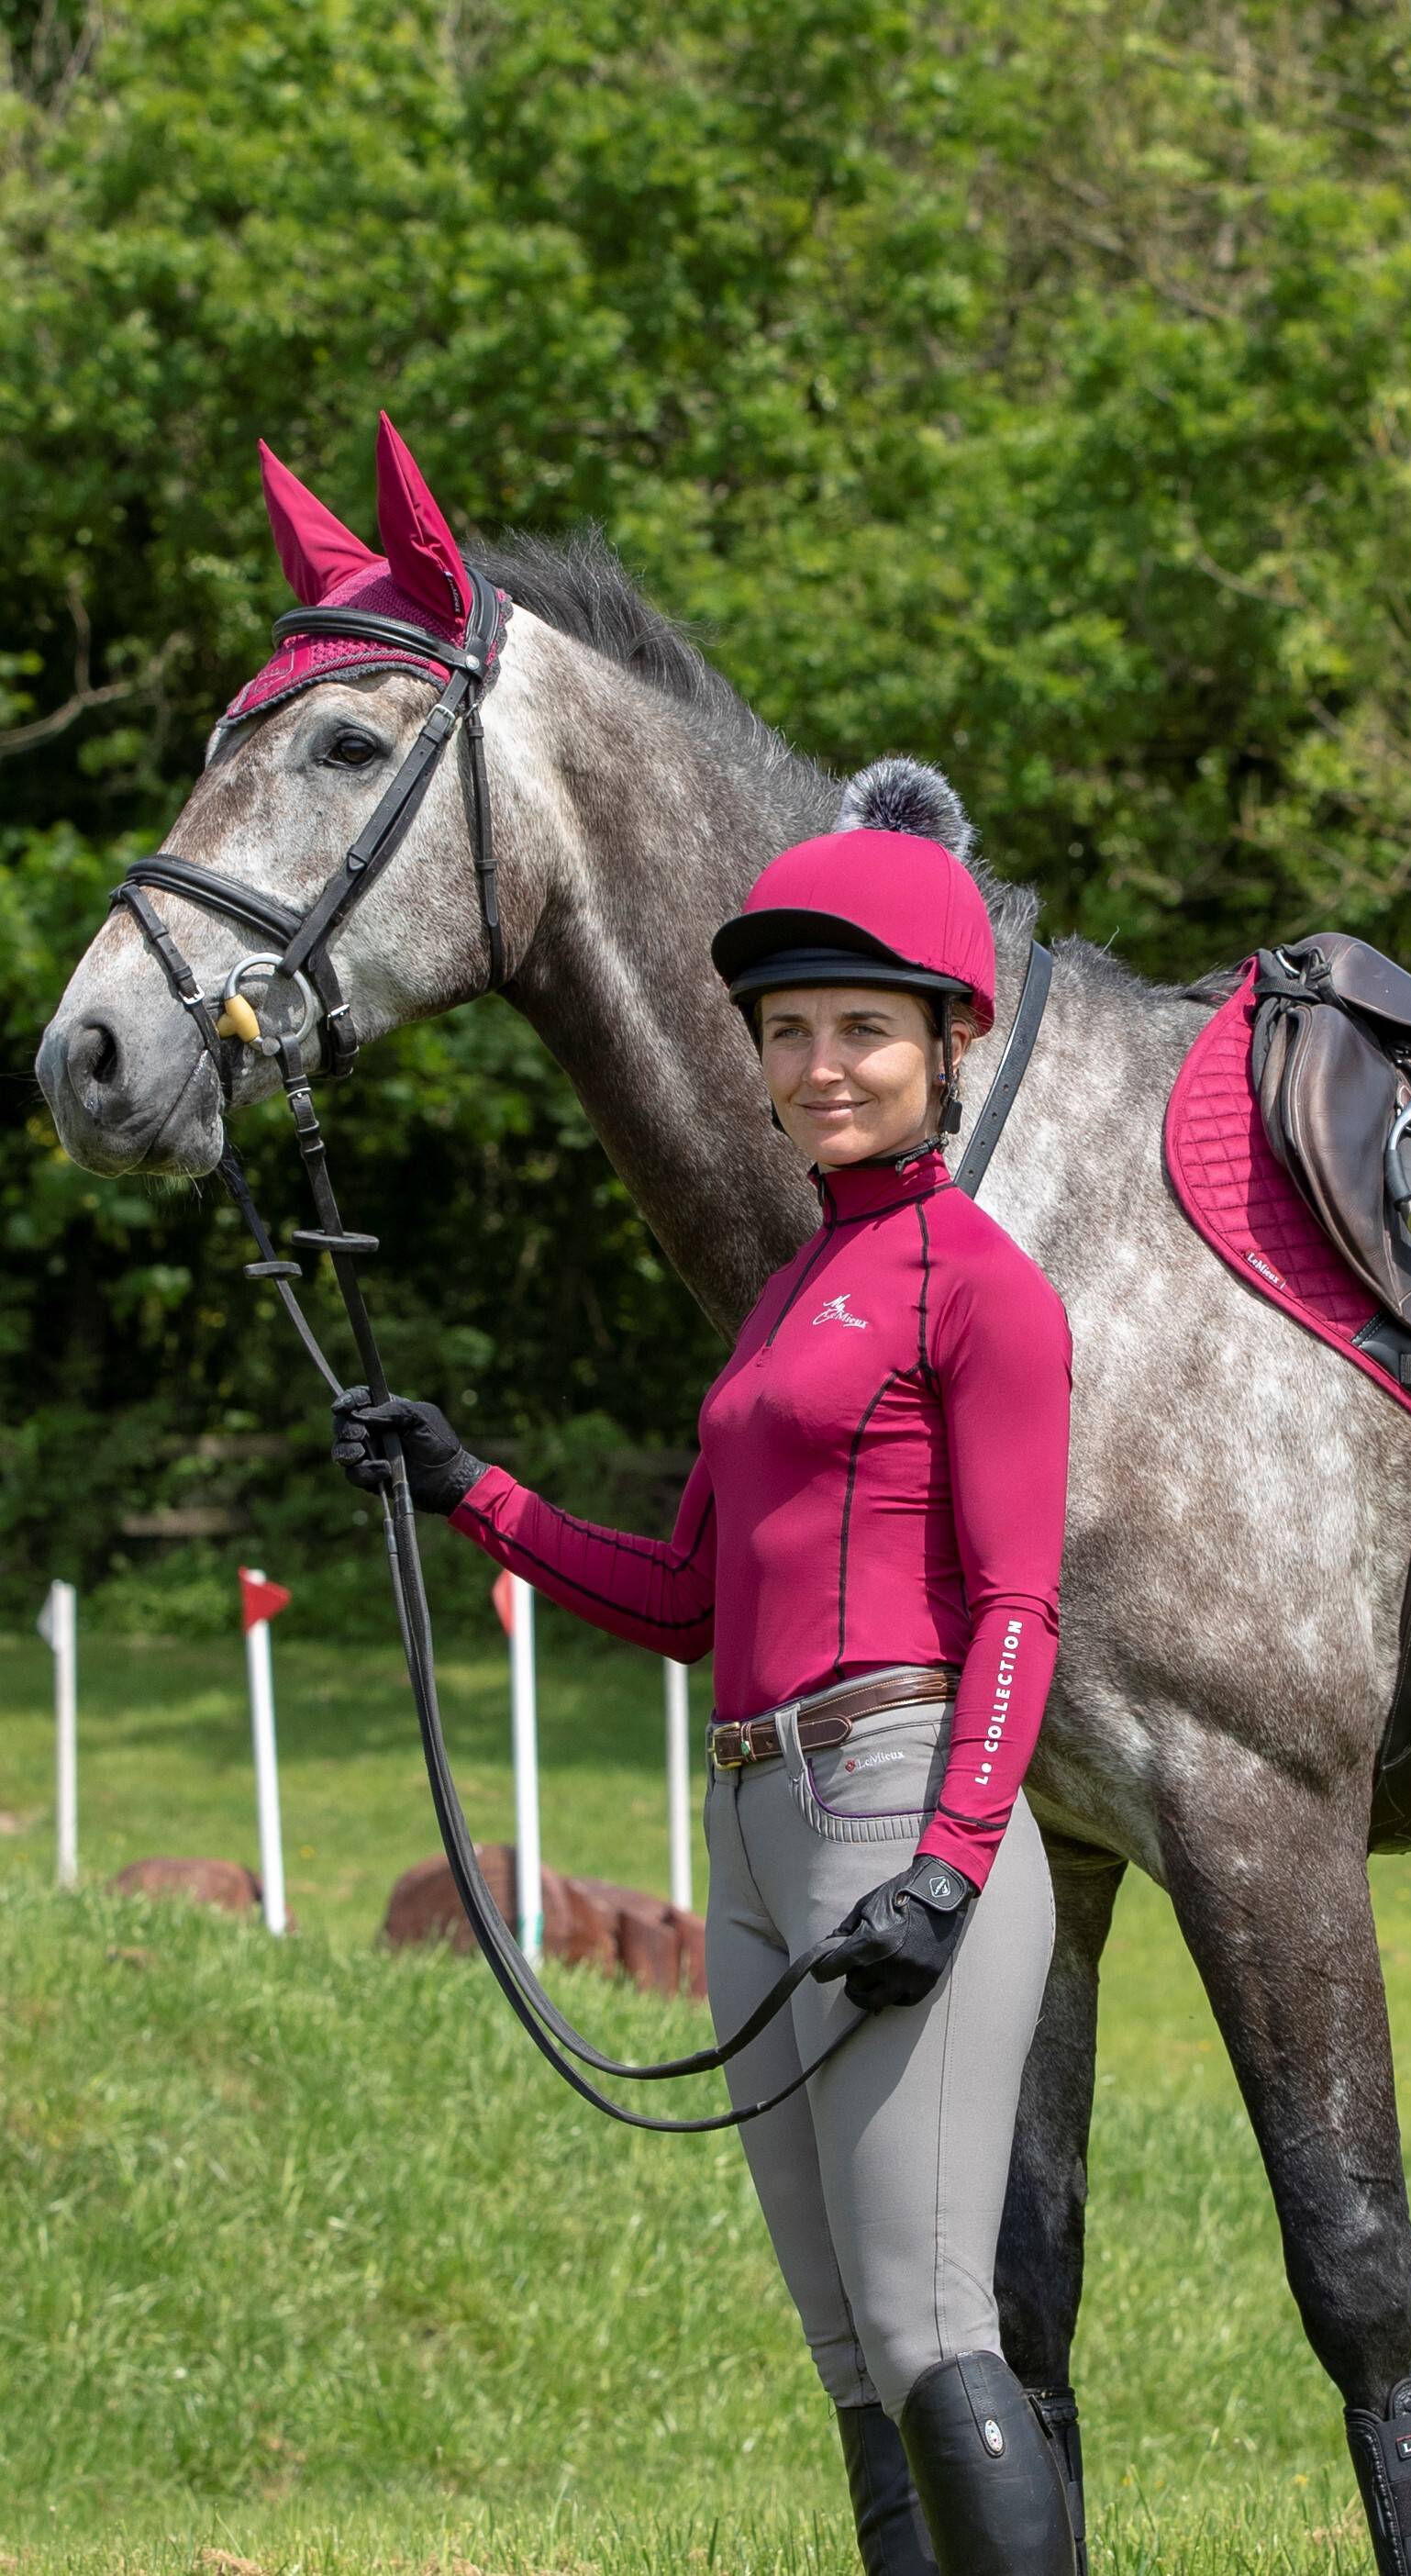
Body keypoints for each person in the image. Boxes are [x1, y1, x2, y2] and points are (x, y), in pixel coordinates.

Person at [331, 767, 1079, 2576]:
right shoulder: (790, 1291)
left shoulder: (978, 1285)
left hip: (898, 1806)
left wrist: (952, 1863)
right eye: (791, 1030)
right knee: (846, 2353)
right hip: (752, 1817)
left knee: (926, 2328)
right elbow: (687, 1600)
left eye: (866, 1030)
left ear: (949, 1039)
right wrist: (474, 1491)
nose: (824, 1064)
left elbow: (1021, 1606)